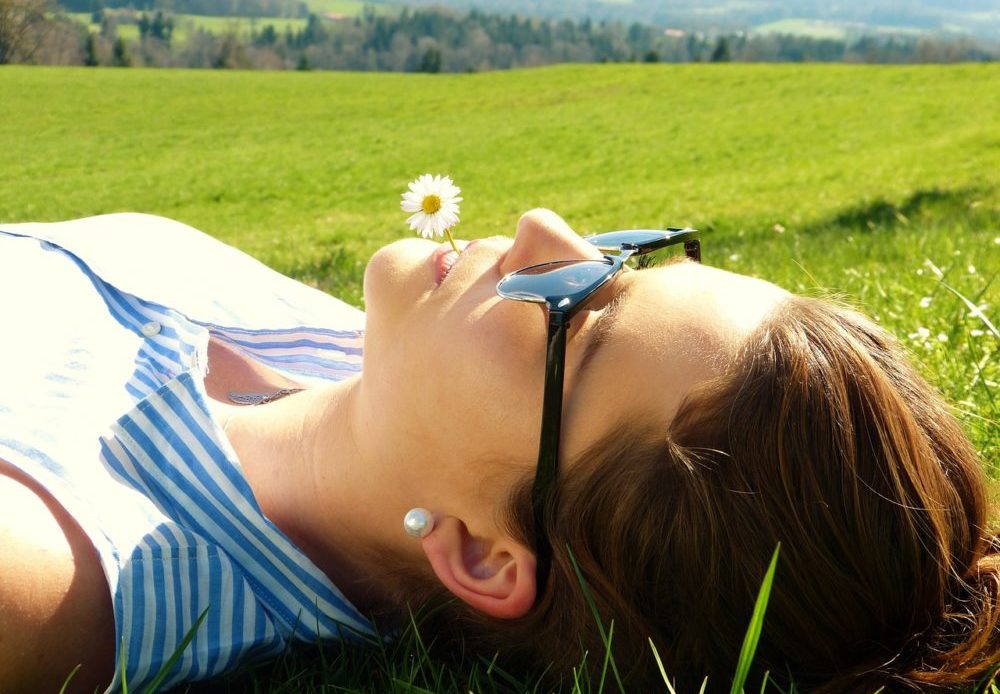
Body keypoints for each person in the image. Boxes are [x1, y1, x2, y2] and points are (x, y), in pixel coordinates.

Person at [0, 209, 995, 693]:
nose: (541, 230)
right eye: (619, 262)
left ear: (485, 553)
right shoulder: (375, 362)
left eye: (577, 316)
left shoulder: (55, 565)